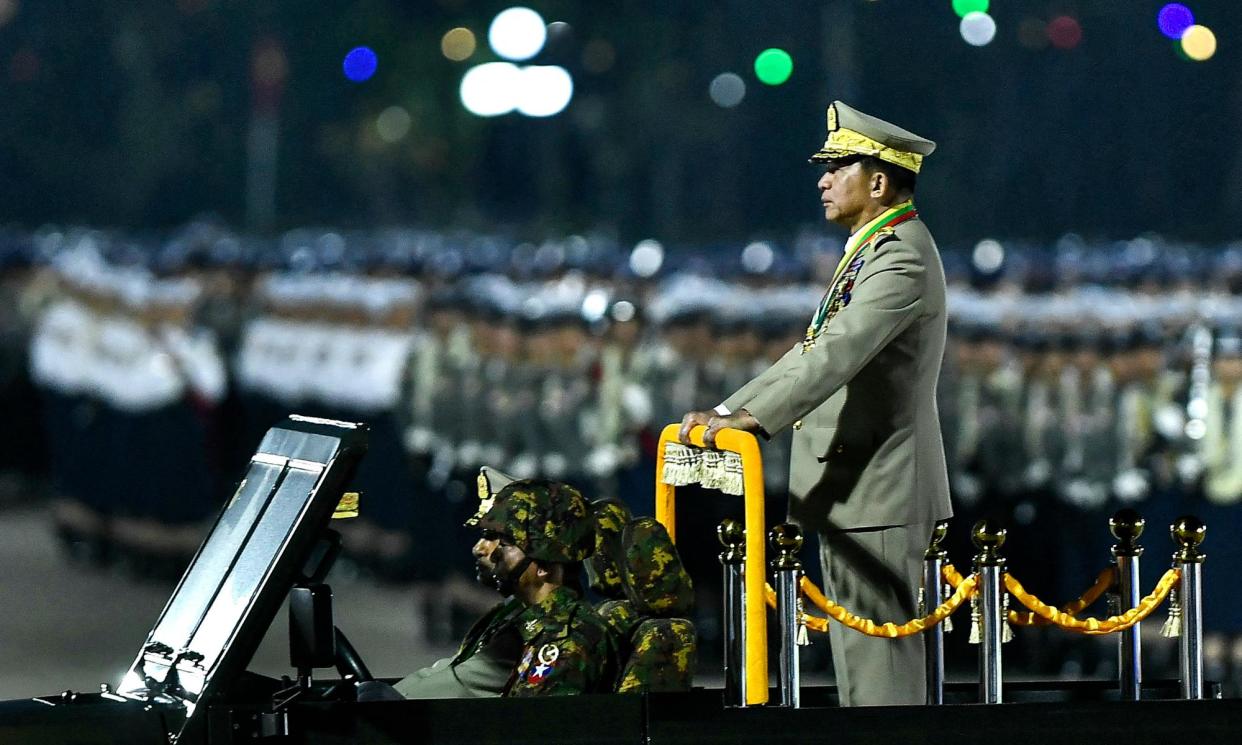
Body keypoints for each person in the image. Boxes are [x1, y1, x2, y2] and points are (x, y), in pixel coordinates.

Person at [678, 100, 950, 706]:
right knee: (858, 667)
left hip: (878, 488)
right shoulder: (873, 249)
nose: (822, 181)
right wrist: (729, 414)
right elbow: (810, 351)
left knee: (880, 673)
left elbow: (836, 355)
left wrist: (752, 419)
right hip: (855, 487)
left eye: (837, 167)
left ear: (878, 181)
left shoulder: (900, 256)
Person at [394, 476, 615, 698]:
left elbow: (528, 726)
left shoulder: (565, 637)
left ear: (544, 566)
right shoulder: (515, 614)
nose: (479, 549)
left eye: (505, 544)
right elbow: (453, 673)